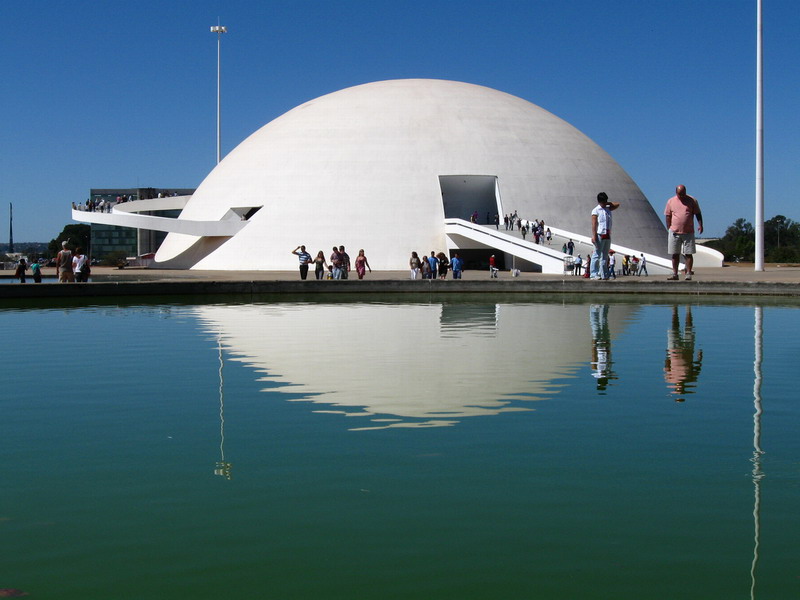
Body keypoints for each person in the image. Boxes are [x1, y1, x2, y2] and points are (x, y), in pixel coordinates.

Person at [664, 185, 703, 281]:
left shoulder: (692, 200)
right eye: (680, 194)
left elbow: (698, 213)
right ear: (676, 193)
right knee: (675, 254)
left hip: (688, 231)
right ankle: (675, 273)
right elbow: (668, 215)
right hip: (674, 232)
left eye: (683, 194)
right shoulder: (671, 201)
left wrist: (700, 225)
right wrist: (669, 227)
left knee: (688, 253)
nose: (682, 196)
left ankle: (688, 273)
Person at [590, 192, 620, 280]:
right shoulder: (595, 210)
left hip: (608, 234)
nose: (604, 203)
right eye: (603, 201)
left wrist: (608, 203)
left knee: (605, 256)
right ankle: (593, 274)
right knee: (597, 255)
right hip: (600, 234)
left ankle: (604, 274)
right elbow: (594, 224)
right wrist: (594, 235)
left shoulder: (608, 208)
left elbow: (617, 204)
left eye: (605, 201)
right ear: (599, 201)